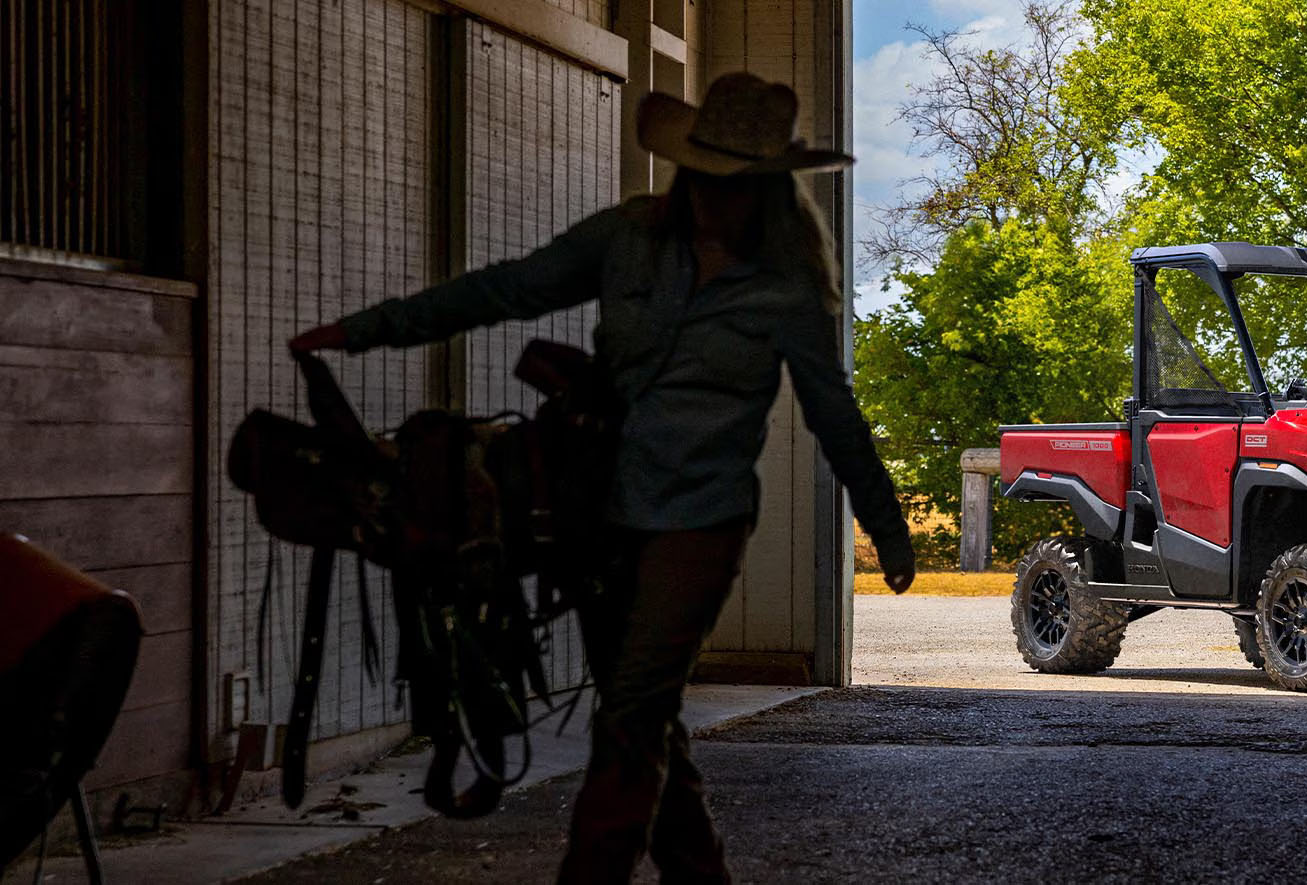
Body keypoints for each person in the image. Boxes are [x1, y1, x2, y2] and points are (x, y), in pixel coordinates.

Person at [288, 72, 916, 884]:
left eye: (734, 184)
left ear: (763, 188)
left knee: (628, 719)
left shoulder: (786, 291)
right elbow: (509, 288)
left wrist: (888, 527)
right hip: (598, 513)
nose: (711, 198)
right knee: (643, 715)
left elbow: (835, 414)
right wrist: (365, 331)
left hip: (702, 521)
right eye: (705, 175)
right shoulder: (628, 237)